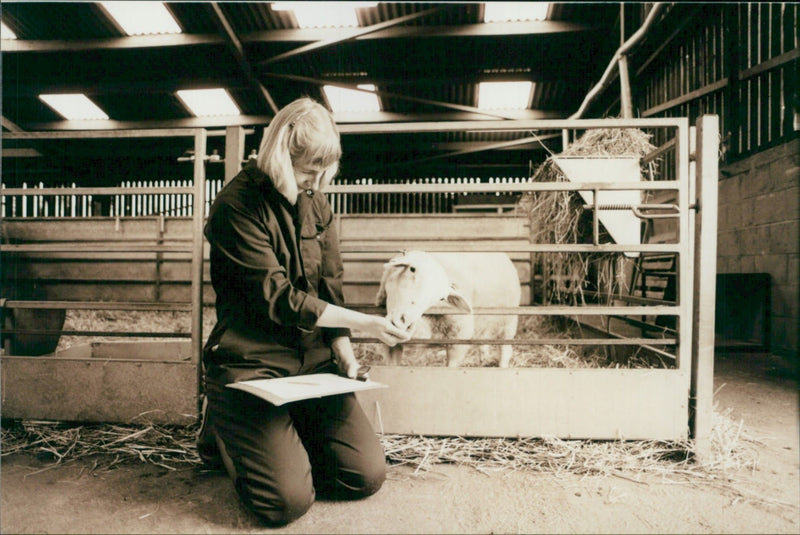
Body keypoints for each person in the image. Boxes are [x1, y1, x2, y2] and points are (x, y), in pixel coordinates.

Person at [198, 97, 411, 526]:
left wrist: (346, 356)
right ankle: (222, 430)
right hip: (251, 364)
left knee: (364, 476)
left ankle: (278, 440)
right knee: (285, 503)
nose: (315, 181)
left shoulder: (317, 202)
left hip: (310, 363)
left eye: (322, 171)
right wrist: (367, 322)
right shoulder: (235, 207)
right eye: (307, 170)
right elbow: (279, 298)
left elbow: (331, 284)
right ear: (280, 154)